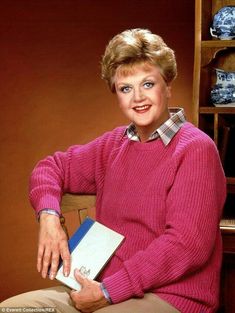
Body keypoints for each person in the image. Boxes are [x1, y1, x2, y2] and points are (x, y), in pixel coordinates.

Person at [0, 28, 226, 313]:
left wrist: (109, 291)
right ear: (117, 94)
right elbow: (50, 167)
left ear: (167, 86)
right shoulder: (113, 145)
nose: (137, 98)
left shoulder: (195, 149)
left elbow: (187, 245)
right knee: (11, 309)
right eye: (125, 88)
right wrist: (49, 217)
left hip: (170, 297)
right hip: (98, 287)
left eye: (148, 84)